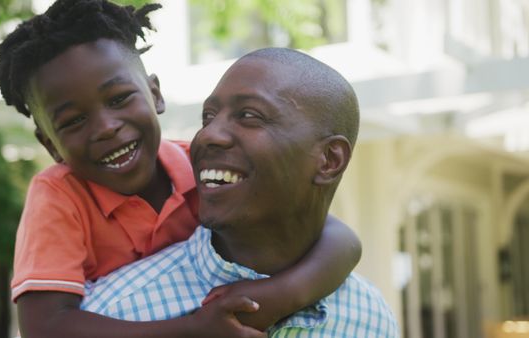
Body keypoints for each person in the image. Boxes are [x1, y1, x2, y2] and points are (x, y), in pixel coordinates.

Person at [0, 1, 362, 337]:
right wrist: (192, 329)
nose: (106, 128)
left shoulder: (207, 165)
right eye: (73, 121)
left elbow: (342, 241)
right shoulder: (58, 197)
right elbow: (45, 327)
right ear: (50, 144)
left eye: (119, 99)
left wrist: (276, 297)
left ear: (155, 94)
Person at [81, 47, 400, 337]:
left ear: (329, 160)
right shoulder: (115, 313)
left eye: (249, 115)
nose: (207, 136)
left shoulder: (370, 318)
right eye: (208, 117)